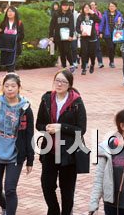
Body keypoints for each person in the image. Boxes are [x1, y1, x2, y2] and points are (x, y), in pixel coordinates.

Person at [0, 73, 35, 215]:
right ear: (3, 87)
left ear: (19, 88)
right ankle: (5, 207)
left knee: (10, 189)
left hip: (15, 154)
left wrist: (30, 160)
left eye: (13, 86)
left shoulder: (25, 108)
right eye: (7, 86)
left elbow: (29, 135)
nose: (10, 89)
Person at [36, 69, 87, 215]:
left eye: (63, 81)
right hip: (50, 150)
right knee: (47, 184)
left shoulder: (76, 102)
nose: (59, 84)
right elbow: (39, 124)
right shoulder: (46, 99)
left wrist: (61, 127)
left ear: (69, 84)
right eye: (57, 80)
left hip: (68, 152)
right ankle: (53, 210)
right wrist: (45, 127)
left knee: (67, 190)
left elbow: (81, 129)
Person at [0, 6, 25, 72]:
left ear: (15, 13)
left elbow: (22, 35)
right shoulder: (4, 23)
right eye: (8, 11)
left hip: (15, 48)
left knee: (12, 65)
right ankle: (10, 76)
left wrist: (13, 38)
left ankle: (11, 77)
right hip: (5, 47)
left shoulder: (19, 23)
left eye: (12, 11)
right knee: (8, 65)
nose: (10, 13)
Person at [49, 0, 75, 69]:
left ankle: (72, 64)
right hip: (58, 35)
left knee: (67, 50)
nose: (65, 7)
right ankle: (64, 66)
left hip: (67, 36)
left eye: (67, 5)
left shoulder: (70, 14)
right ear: (61, 6)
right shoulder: (56, 14)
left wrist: (71, 35)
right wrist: (51, 35)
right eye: (64, 5)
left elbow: (72, 25)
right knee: (61, 51)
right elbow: (52, 25)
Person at [76, 3, 101, 75]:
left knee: (92, 54)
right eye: (85, 7)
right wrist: (81, 32)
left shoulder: (92, 16)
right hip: (84, 38)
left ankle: (92, 64)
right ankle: (84, 68)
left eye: (88, 8)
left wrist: (93, 13)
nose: (86, 9)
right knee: (84, 53)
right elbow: (77, 28)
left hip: (92, 37)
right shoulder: (80, 17)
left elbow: (99, 21)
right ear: (83, 9)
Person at [99, 2, 123, 68]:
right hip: (107, 33)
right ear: (108, 7)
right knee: (110, 47)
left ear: (116, 7)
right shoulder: (105, 14)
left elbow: (122, 22)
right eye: (110, 6)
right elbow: (102, 23)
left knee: (113, 47)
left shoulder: (119, 14)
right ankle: (111, 61)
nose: (111, 7)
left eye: (113, 6)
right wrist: (100, 32)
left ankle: (111, 61)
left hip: (116, 33)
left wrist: (119, 21)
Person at [90, 1, 105, 68]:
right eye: (91, 5)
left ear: (96, 6)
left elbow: (101, 23)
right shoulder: (87, 13)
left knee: (98, 48)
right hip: (88, 33)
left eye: (93, 5)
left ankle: (100, 62)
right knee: (88, 49)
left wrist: (101, 32)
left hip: (96, 33)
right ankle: (88, 63)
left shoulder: (98, 13)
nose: (92, 6)